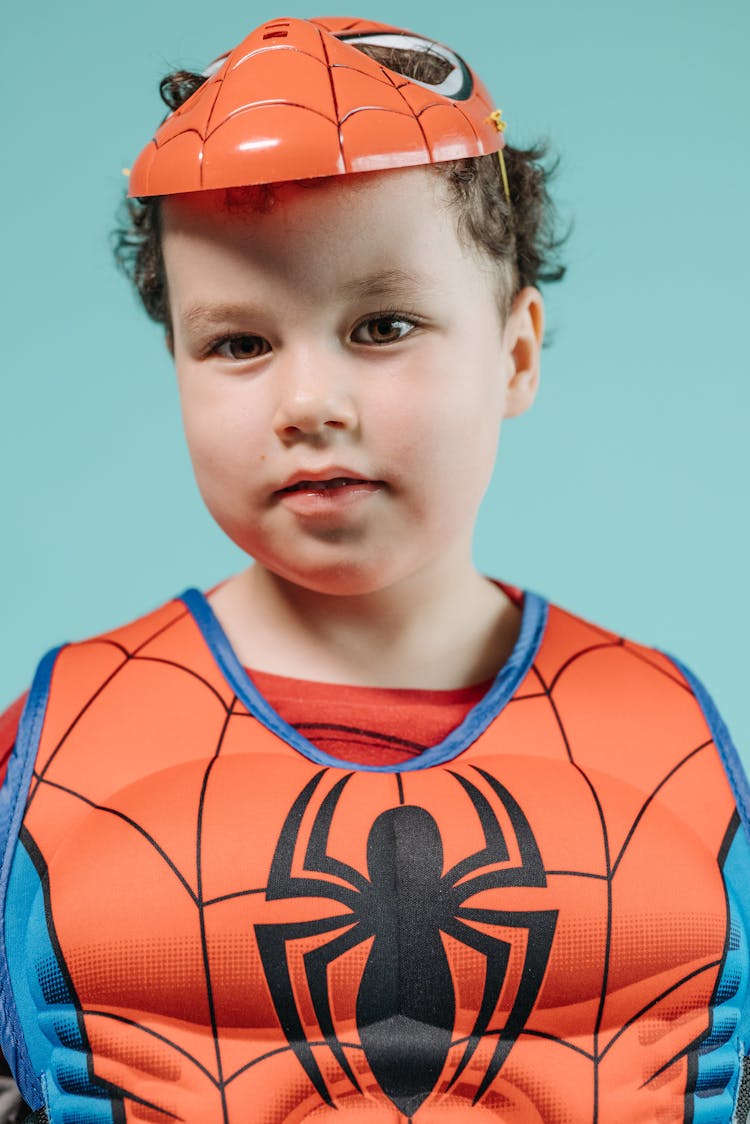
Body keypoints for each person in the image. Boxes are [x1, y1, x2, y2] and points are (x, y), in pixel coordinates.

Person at [0, 15, 748, 1123]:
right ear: (174, 368)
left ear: (518, 352)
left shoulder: (680, 745)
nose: (309, 404)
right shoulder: (49, 747)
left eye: (383, 324)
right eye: (239, 342)